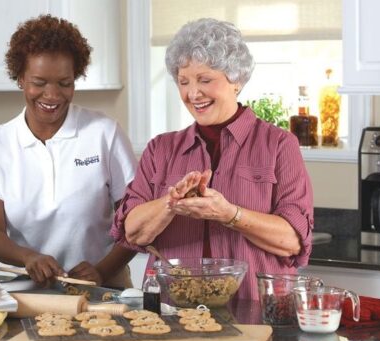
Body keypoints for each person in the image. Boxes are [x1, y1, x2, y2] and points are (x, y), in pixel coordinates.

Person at [110, 18, 314, 300]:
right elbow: (132, 234)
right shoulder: (161, 149)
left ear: (236, 80)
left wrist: (230, 215)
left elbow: (292, 241)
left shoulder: (280, 145)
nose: (193, 93)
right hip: (170, 313)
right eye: (183, 81)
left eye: (205, 80)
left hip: (254, 312)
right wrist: (171, 203)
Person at [0, 15, 137, 288]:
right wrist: (29, 257)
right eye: (39, 82)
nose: (52, 95)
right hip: (32, 290)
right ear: (21, 79)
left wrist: (102, 271)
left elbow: (137, 224)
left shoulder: (104, 133)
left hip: (106, 287)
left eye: (64, 83)